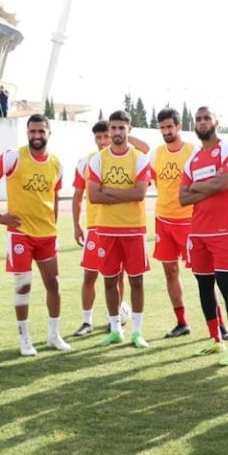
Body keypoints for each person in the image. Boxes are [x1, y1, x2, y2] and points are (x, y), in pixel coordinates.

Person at [0, 114, 70, 355]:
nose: (36, 136)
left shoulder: (56, 164)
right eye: (32, 132)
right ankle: (25, 339)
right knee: (23, 285)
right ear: (27, 133)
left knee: (54, 284)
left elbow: (53, 196)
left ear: (48, 133)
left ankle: (53, 335)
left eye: (41, 131)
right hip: (20, 233)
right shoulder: (13, 157)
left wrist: (52, 226)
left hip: (47, 235)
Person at [180, 107, 228, 365]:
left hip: (223, 231)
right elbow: (182, 197)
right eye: (198, 119)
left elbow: (223, 184)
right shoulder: (193, 160)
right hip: (197, 232)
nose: (202, 122)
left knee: (227, 286)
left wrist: (196, 186)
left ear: (216, 121)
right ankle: (215, 340)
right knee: (204, 287)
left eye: (207, 118)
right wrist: (205, 186)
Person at [72, 121, 147, 336]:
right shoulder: (87, 162)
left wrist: (125, 135)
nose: (104, 141)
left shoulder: (132, 156)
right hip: (96, 227)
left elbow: (145, 151)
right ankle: (87, 321)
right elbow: (80, 196)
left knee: (119, 277)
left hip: (123, 226)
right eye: (100, 137)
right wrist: (77, 225)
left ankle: (114, 318)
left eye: (107, 135)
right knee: (90, 275)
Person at [86, 110, 153, 348]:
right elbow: (93, 196)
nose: (116, 132)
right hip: (106, 229)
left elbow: (140, 193)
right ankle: (115, 329)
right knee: (109, 281)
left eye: (121, 128)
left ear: (129, 130)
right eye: (113, 128)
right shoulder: (98, 159)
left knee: (136, 282)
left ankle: (136, 331)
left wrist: (109, 192)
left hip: (134, 229)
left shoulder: (140, 158)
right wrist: (125, 195)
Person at [150, 107, 198, 337]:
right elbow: (159, 184)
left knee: (203, 273)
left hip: (189, 221)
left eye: (170, 126)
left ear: (179, 126)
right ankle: (182, 322)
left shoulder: (193, 151)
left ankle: (218, 323)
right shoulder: (157, 153)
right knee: (170, 272)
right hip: (163, 220)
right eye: (162, 128)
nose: (166, 131)